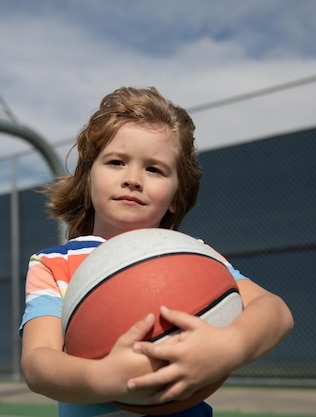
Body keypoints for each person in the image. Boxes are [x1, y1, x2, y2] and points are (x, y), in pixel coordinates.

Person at [19, 86, 293, 417]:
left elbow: (275, 311)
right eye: (117, 162)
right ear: (88, 181)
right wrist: (102, 377)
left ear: (176, 196)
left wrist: (229, 346)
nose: (133, 179)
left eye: (154, 169)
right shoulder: (53, 266)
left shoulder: (195, 257)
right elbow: (38, 362)